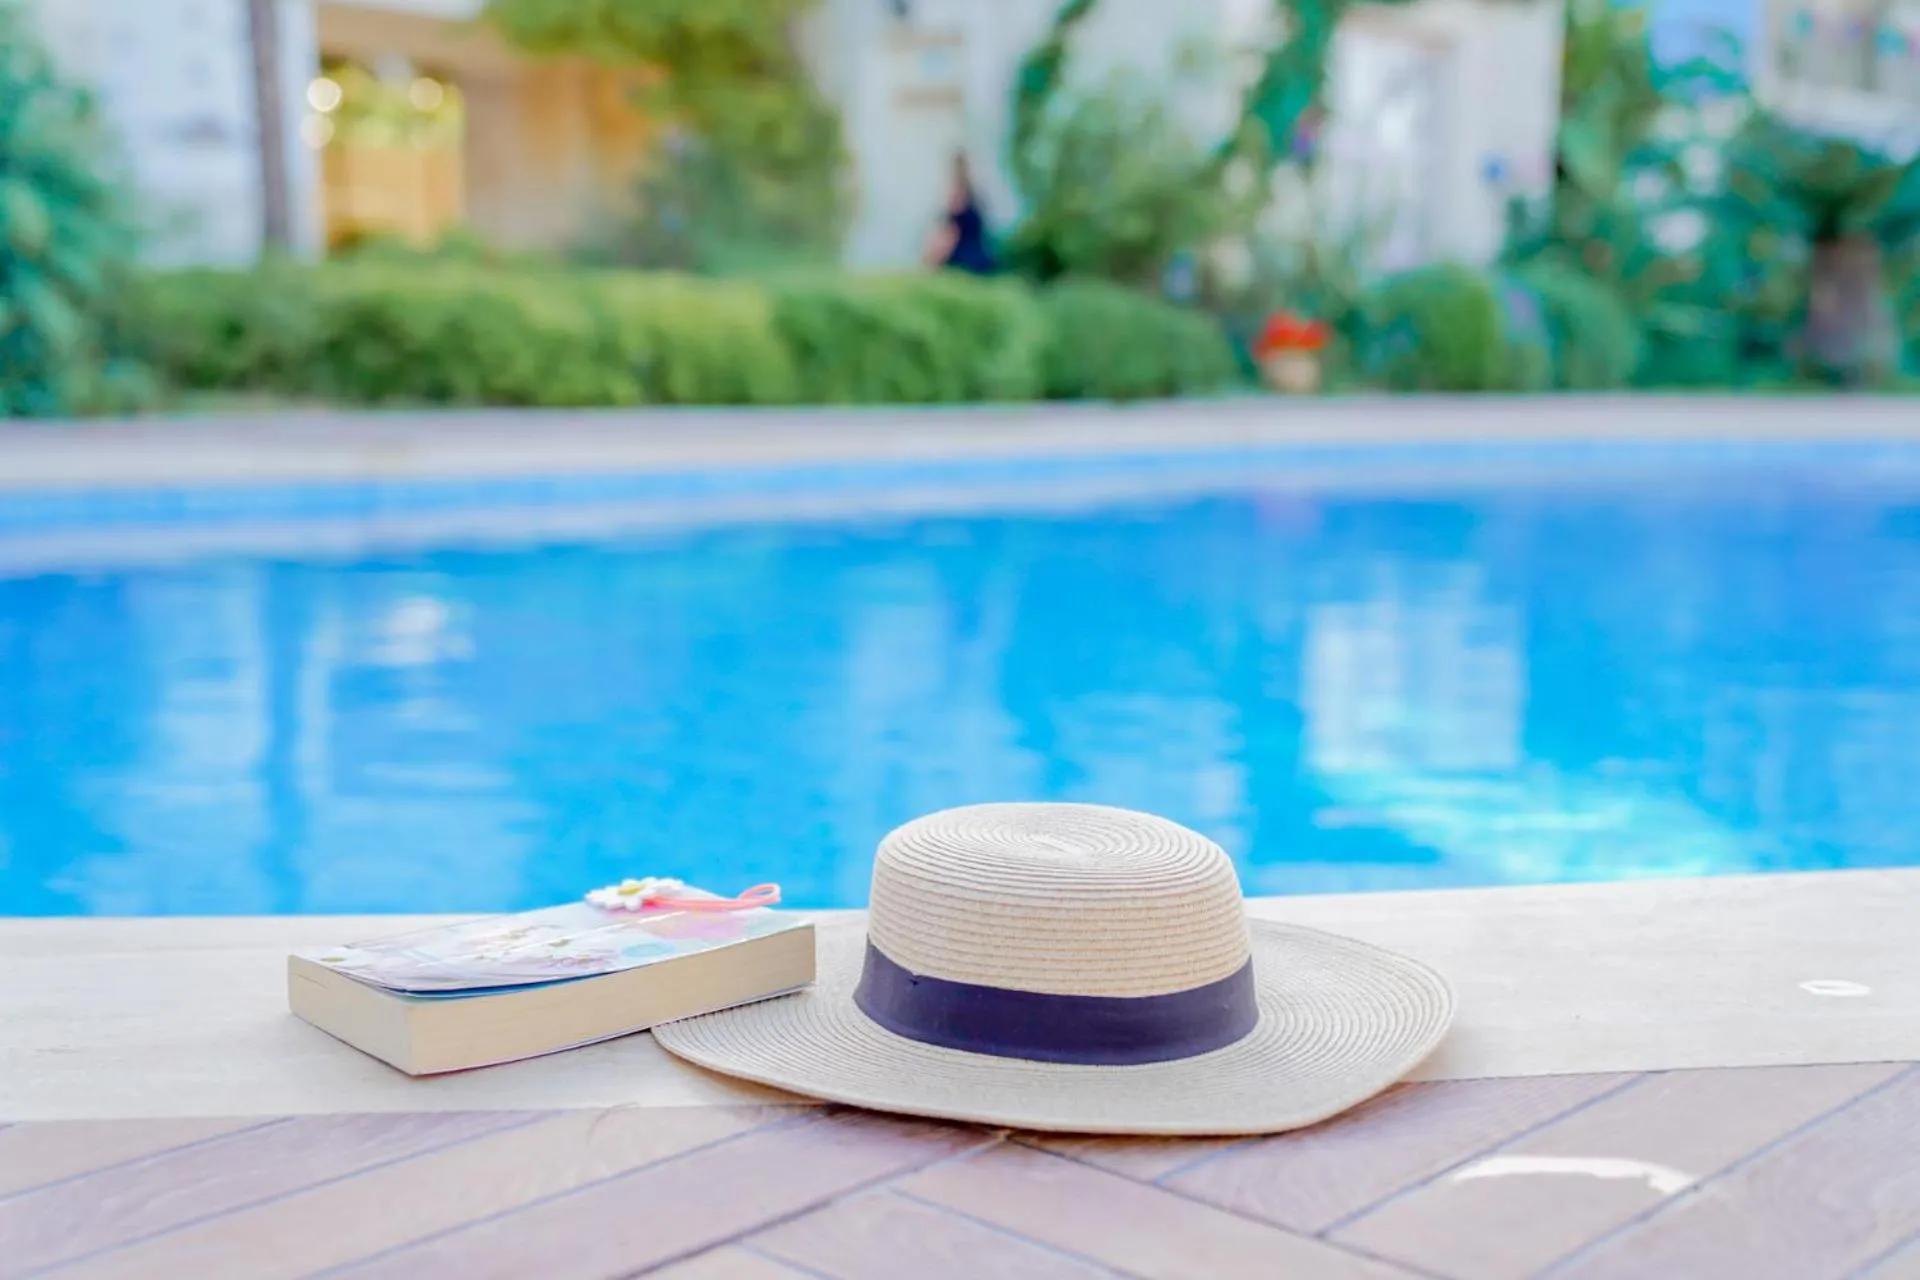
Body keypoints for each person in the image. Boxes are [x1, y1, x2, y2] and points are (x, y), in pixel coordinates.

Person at [923, 151, 996, 275]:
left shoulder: (958, 194)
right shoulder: (975, 194)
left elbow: (951, 232)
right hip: (978, 253)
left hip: (964, 256)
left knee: (941, 237)